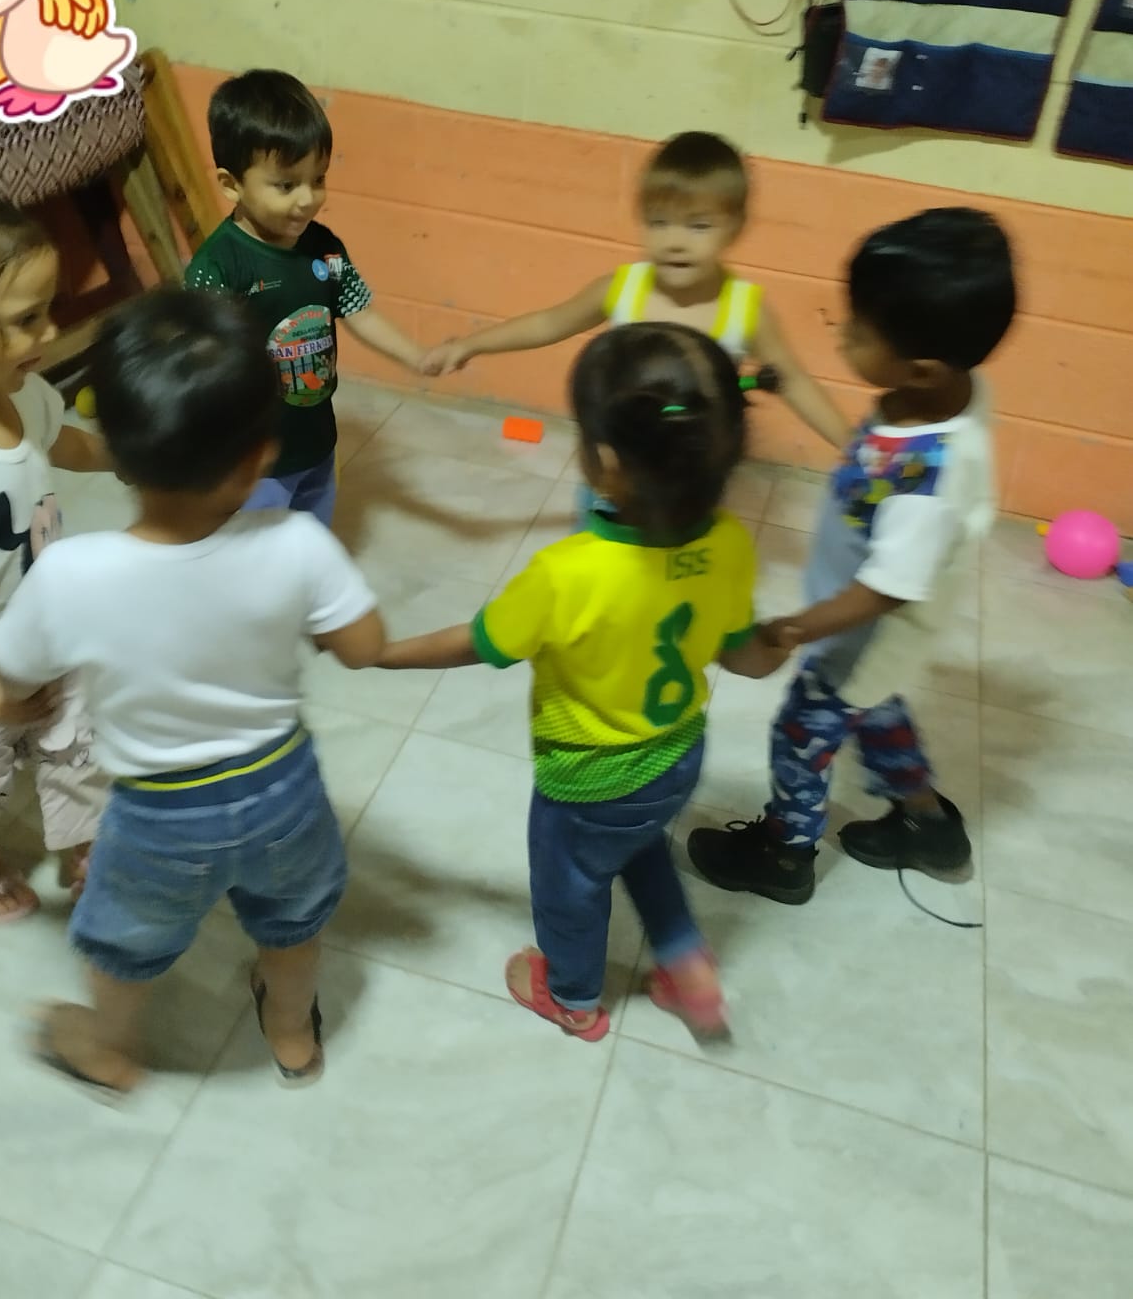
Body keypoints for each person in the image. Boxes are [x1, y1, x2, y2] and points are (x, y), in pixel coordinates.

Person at [0, 288, 384, 1095]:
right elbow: (364, 646)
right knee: (291, 922)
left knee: (124, 938)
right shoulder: (297, 543)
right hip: (283, 789)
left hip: (160, 813)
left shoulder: (71, 574)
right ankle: (291, 1035)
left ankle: (108, 1049)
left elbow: (13, 681)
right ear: (260, 454)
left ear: (118, 451)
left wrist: (11, 702)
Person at [379, 323, 786, 1041]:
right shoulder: (728, 545)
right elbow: (746, 656)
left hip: (586, 781)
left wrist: (383, 654)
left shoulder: (566, 573)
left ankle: (571, 995)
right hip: (677, 757)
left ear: (606, 461)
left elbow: (476, 642)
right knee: (642, 847)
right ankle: (686, 963)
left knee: (570, 887)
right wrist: (779, 643)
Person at [687, 209, 1016, 903]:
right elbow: (876, 471)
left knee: (802, 732)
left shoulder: (929, 475)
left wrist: (793, 628)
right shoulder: (941, 395)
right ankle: (928, 826)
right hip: (874, 630)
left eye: (860, 331)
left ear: (923, 367)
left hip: (867, 629)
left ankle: (785, 855)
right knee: (876, 711)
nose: (841, 334)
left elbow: (887, 588)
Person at [421, 131, 850, 457]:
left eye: (698, 226)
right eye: (658, 222)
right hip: (616, 459)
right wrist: (471, 344)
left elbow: (793, 381)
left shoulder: (744, 309)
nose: (674, 242)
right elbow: (549, 323)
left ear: (734, 228)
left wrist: (853, 448)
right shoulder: (622, 289)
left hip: (695, 472)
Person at [0, 172, 110, 925]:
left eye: (48, 311)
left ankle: (86, 844)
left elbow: (61, 442)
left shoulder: (21, 395)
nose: (48, 335)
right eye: (25, 319)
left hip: (50, 628)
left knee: (78, 746)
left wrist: (133, 456)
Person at [184, 68, 426, 525]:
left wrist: (416, 357)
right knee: (260, 557)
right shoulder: (218, 267)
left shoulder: (324, 247)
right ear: (231, 184)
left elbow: (359, 310)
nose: (307, 199)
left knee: (311, 543)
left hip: (317, 443)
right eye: (286, 184)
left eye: (318, 179)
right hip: (254, 461)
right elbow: (201, 368)